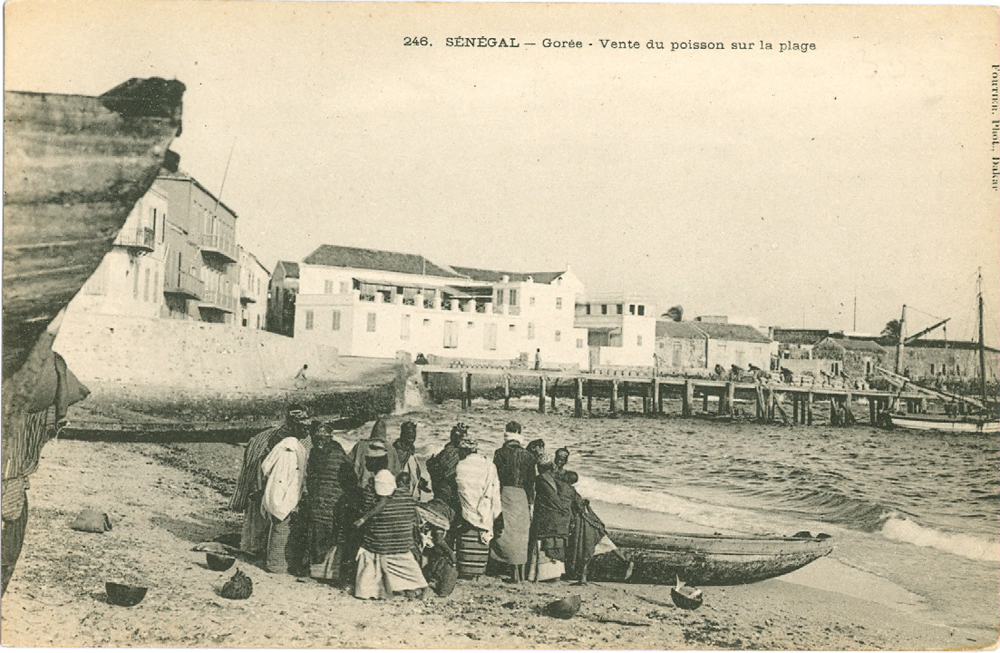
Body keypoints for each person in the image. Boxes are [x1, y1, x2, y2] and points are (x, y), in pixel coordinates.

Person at [230, 404, 311, 558]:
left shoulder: (303, 440)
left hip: (280, 484)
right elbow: (262, 465)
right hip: (269, 484)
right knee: (264, 520)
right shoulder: (275, 440)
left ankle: (261, 550)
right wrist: (259, 487)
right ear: (291, 423)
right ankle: (258, 551)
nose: (305, 430)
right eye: (300, 425)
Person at [353, 470, 429, 600]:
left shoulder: (372, 498)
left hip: (379, 543)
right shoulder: (406, 497)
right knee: (407, 563)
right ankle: (415, 587)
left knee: (367, 552)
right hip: (402, 543)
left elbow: (371, 516)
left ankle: (373, 589)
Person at [304, 422, 353, 582]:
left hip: (326, 499)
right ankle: (321, 571)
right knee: (323, 533)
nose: (320, 442)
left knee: (323, 532)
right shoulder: (324, 452)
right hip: (324, 499)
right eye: (318, 439)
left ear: (329, 438)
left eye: (323, 439)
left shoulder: (323, 453)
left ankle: (321, 570)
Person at [563, 471, 629, 584]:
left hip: (585, 524)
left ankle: (583, 578)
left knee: (585, 549)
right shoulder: (573, 491)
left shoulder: (569, 491)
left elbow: (577, 506)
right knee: (603, 545)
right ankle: (626, 561)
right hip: (591, 523)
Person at [489, 421, 535, 582]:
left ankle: (503, 567)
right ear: (520, 434)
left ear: (506, 434)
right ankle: (519, 573)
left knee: (504, 533)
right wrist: (530, 503)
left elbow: (496, 478)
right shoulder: (529, 456)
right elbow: (530, 482)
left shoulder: (499, 453)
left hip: (505, 493)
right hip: (521, 496)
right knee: (521, 535)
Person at [261, 429, 310, 574]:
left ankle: (274, 564)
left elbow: (266, 467)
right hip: (288, 492)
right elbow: (297, 476)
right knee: (282, 529)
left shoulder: (281, 450)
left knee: (278, 528)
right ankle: (277, 565)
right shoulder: (294, 452)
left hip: (277, 491)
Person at [454, 435, 502, 580]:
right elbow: (494, 490)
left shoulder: (461, 465)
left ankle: (465, 570)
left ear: (464, 450)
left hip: (467, 512)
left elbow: (462, 490)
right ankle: (478, 571)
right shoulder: (488, 465)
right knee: (481, 537)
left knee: (467, 536)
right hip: (485, 509)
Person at [528, 454, 573, 582]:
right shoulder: (556, 478)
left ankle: (539, 576)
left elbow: (551, 499)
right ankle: (554, 575)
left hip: (545, 520)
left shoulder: (541, 479)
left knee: (542, 546)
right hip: (558, 521)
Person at [348, 418, 401, 491]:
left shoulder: (360, 445)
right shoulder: (390, 449)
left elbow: (349, 462)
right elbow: (396, 470)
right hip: (383, 488)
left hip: (362, 486)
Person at [426, 423, 467, 513]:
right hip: (450, 486)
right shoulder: (454, 452)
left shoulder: (447, 451)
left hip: (446, 486)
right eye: (459, 437)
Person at [392, 421, 431, 500]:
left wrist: (419, 481)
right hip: (401, 496)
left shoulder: (410, 449)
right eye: (409, 433)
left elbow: (412, 473)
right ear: (403, 434)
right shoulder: (397, 451)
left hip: (412, 495)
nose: (412, 435)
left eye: (413, 433)